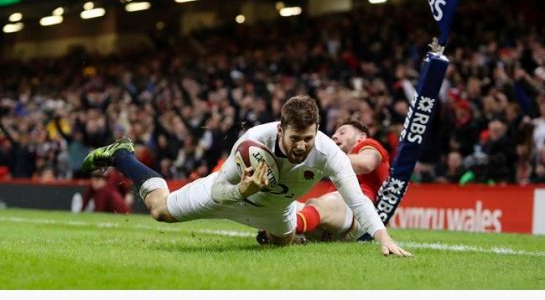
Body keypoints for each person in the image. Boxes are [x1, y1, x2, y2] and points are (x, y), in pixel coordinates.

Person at [82, 95, 411, 256]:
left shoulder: (327, 153)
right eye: (295, 138)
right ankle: (122, 154)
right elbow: (220, 192)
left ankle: (275, 230)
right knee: (160, 210)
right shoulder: (252, 142)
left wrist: (384, 239)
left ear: (316, 131)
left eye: (307, 138)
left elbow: (356, 198)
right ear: (281, 129)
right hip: (231, 194)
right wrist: (243, 189)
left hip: (277, 208)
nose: (301, 146)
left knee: (282, 245)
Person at [289, 118, 390, 241]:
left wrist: (328, 158)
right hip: (333, 220)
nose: (334, 136)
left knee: (320, 205)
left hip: (359, 215)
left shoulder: (367, 144)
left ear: (361, 136)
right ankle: (285, 233)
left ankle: (287, 229)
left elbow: (366, 164)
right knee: (286, 205)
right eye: (334, 134)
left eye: (342, 133)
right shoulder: (336, 163)